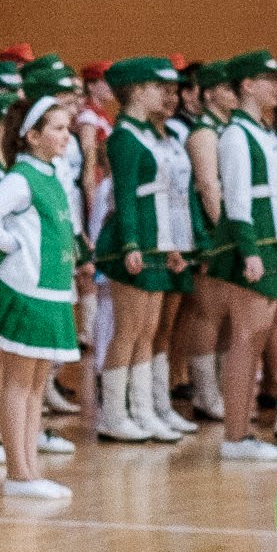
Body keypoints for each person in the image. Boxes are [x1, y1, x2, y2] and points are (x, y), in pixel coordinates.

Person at [0, 95, 84, 499]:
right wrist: (13, 246)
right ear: (32, 136)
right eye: (56, 128)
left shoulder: (53, 174)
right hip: (25, 289)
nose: (65, 135)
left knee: (37, 382)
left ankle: (30, 468)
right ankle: (17, 473)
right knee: (19, 382)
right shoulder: (21, 177)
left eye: (67, 128)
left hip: (50, 289)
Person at [91, 58, 188, 443]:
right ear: (134, 90)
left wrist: (171, 246)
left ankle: (143, 410)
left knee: (147, 331)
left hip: (156, 241)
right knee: (128, 331)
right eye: (153, 86)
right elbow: (126, 197)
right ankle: (113, 414)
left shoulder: (149, 135)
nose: (162, 93)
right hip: (131, 242)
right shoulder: (124, 137)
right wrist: (132, 243)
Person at [205, 55, 277, 461]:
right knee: (246, 338)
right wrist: (249, 251)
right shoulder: (235, 135)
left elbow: (274, 196)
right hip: (252, 244)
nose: (275, 87)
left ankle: (243, 431)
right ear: (245, 86)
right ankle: (235, 435)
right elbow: (237, 199)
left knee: (258, 338)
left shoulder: (261, 131)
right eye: (265, 80)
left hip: (270, 242)